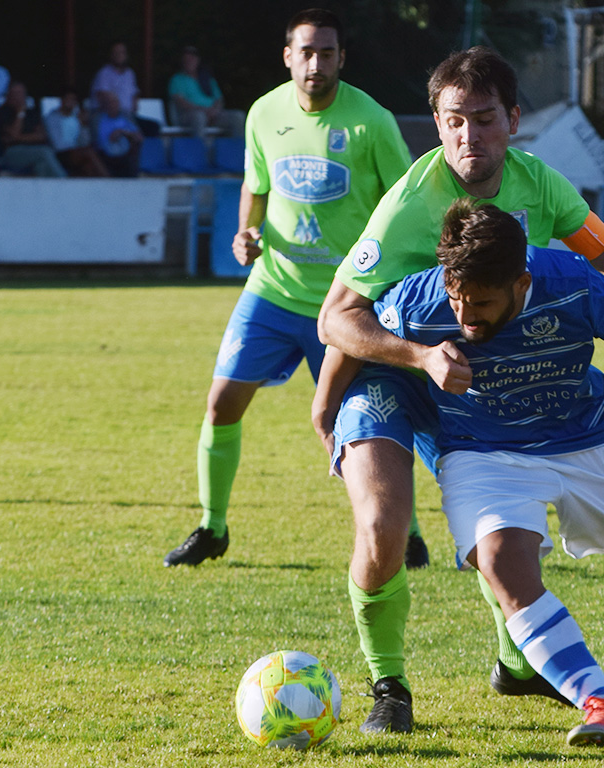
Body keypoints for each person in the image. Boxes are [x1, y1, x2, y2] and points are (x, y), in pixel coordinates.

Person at [313, 46, 604, 734]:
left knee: (500, 538)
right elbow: (336, 319)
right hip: (387, 370)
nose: (470, 137)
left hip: (469, 379)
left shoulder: (539, 185)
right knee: (382, 527)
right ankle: (390, 688)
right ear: (437, 126)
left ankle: (518, 664)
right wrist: (412, 358)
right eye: (455, 121)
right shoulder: (409, 206)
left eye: (485, 119)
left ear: (514, 121)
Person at [355, 198, 604, 747]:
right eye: (457, 301)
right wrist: (330, 408)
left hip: (585, 438)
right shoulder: (422, 298)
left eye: (482, 305)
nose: (466, 319)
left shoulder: (570, 280)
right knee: (498, 561)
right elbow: (351, 332)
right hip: (482, 451)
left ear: (521, 284)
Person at [162, 9, 421, 568]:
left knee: (377, 420)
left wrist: (388, 281)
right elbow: (255, 187)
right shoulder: (263, 113)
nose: (316, 64)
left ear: (341, 58)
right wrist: (243, 233)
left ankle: (412, 532)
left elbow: (403, 201)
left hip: (348, 304)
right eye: (306, 52)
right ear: (288, 56)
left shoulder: (370, 121)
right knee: (221, 404)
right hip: (273, 291)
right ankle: (213, 526)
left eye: (327, 53)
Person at [168, 46, 245, 138]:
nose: (189, 61)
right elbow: (180, 102)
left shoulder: (207, 79)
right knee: (199, 117)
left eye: (192, 58)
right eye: (186, 59)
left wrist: (214, 111)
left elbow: (219, 99)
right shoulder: (177, 80)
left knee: (238, 116)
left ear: (197, 60)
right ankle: (199, 149)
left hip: (213, 115)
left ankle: (236, 150)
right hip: (189, 115)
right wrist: (203, 110)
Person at [0, 81, 67, 178]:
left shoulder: (33, 113)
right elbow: (13, 133)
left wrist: (18, 138)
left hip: (34, 151)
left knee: (41, 165)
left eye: (20, 93)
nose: (18, 96)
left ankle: (45, 192)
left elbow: (41, 136)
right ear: (9, 95)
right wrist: (20, 113)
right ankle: (65, 181)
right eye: (15, 93)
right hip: (11, 153)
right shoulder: (2, 112)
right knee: (45, 152)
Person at [90, 41, 160, 137]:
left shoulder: (129, 73)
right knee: (135, 133)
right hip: (110, 116)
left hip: (128, 114)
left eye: (122, 52)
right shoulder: (104, 73)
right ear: (111, 55)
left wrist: (135, 102)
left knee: (153, 127)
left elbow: (134, 92)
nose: (120, 55)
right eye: (116, 53)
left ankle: (149, 151)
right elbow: (103, 96)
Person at [44, 87, 109, 177]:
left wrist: (83, 126)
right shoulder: (52, 118)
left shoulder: (76, 118)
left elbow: (84, 142)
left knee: (88, 165)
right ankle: (108, 178)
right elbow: (57, 144)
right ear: (62, 100)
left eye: (73, 100)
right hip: (60, 154)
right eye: (68, 99)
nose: (70, 102)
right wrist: (76, 149)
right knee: (89, 153)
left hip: (77, 153)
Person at [93, 91, 142, 177]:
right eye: (109, 102)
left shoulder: (126, 117)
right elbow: (98, 142)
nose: (112, 105)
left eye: (115, 102)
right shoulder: (99, 120)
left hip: (125, 154)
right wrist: (112, 136)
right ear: (105, 105)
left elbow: (139, 137)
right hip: (105, 154)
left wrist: (124, 133)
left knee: (133, 155)